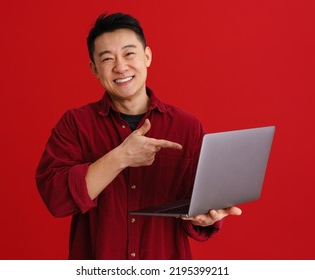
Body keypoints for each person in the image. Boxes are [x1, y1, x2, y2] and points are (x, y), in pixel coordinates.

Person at [35, 12, 242, 260]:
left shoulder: (187, 126)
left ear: (147, 57)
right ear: (94, 70)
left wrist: (207, 216)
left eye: (129, 53)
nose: (120, 66)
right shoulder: (75, 125)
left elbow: (200, 204)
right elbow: (57, 199)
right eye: (107, 58)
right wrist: (120, 157)